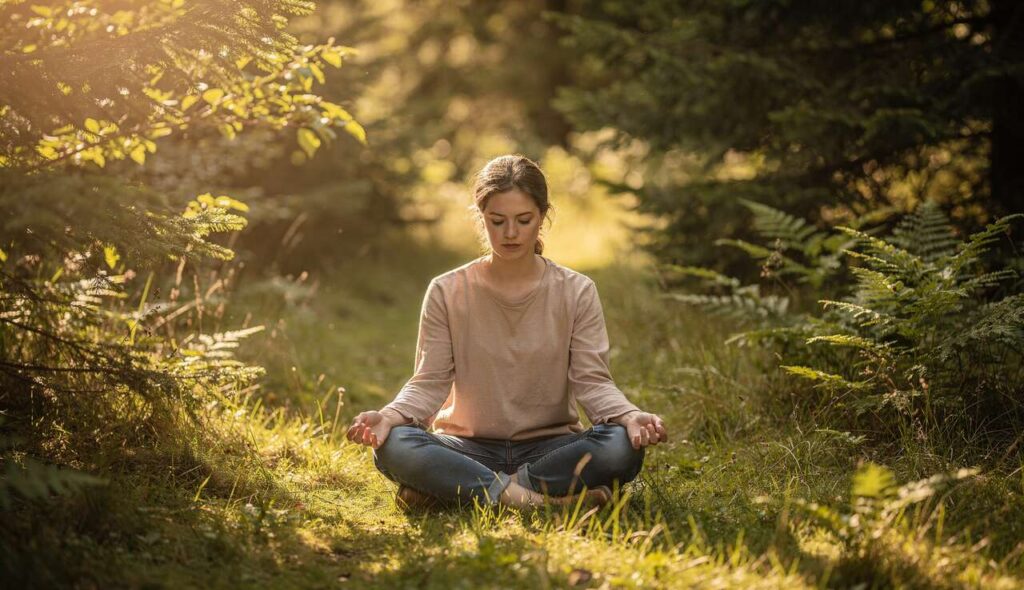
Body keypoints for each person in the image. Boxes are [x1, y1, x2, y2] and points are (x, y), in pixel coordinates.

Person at [346, 154, 668, 510]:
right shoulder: (447, 290)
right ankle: (542, 504)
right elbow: (429, 381)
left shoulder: (577, 291)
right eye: (497, 221)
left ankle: (458, 489)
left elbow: (593, 382)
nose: (511, 233)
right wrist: (389, 416)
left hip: (551, 448)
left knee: (621, 446)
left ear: (543, 217)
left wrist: (629, 416)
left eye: (524, 220)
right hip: (466, 447)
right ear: (481, 218)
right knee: (393, 444)